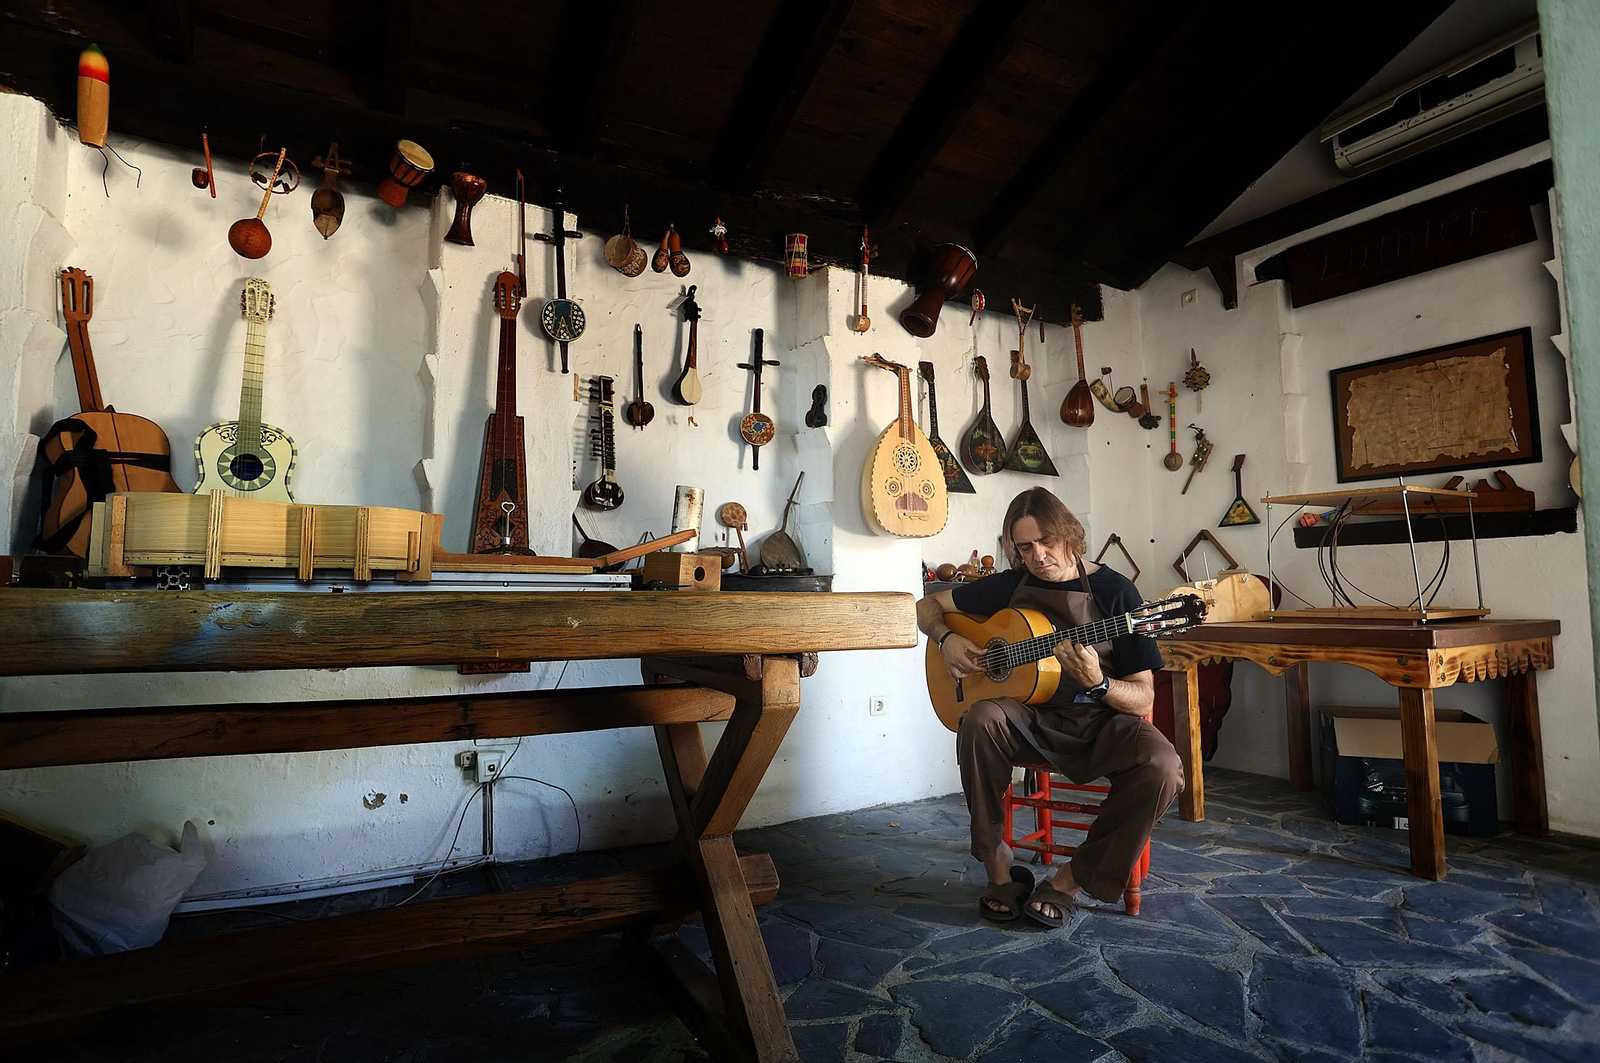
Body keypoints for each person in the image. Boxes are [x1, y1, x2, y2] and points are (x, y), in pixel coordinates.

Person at [917, 487, 1183, 927]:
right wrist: (946, 639)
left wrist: (1097, 682)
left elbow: (1143, 697)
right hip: (1029, 719)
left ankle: (1069, 880)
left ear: (1070, 535)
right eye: (1025, 547)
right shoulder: (1010, 584)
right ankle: (998, 867)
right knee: (979, 718)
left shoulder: (1118, 594)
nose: (1038, 556)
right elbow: (927, 605)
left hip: (1100, 719)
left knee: (1163, 767)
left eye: (1048, 542)